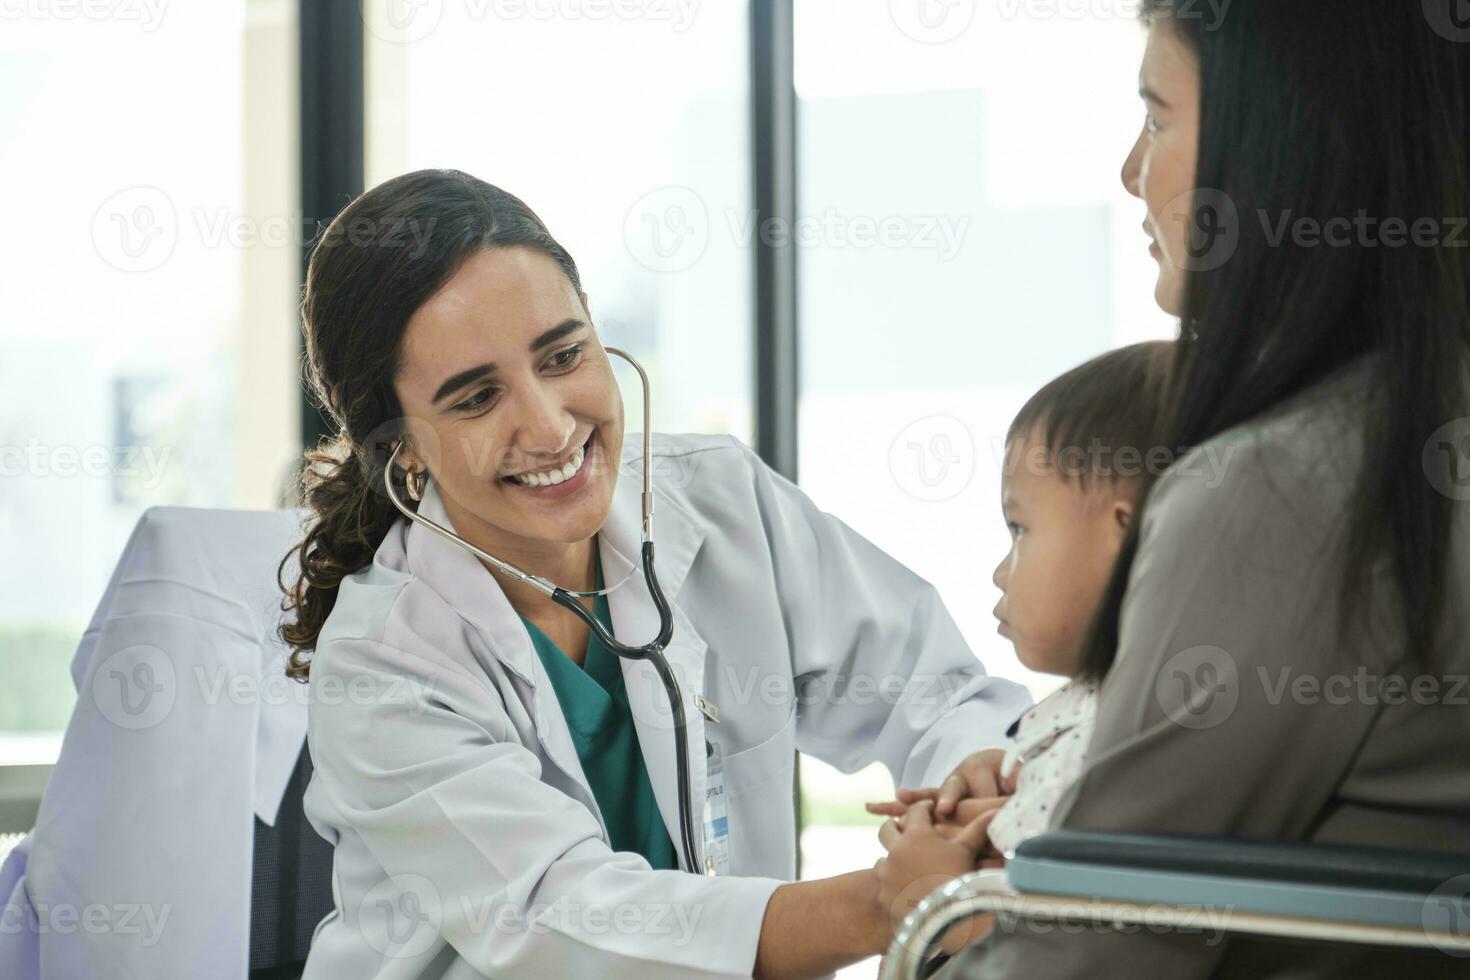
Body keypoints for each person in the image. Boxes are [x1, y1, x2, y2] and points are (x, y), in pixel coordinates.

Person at [276, 168, 1032, 980]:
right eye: (475, 399)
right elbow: (564, 923)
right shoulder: (383, 662)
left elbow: (935, 690)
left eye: (563, 354)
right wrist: (886, 903)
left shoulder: (720, 501)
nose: (550, 424)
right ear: (401, 450)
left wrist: (974, 792)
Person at [877, 1, 1470, 975]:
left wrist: (930, 910)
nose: (1130, 170)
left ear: (1284, 145)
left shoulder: (1281, 493)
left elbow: (1093, 955)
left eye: (1156, 116)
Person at [866, 341, 1174, 949]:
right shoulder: (1107, 706)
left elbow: (1061, 954)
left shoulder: (1130, 740)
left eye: (1020, 530)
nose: (1001, 572)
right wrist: (1014, 773)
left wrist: (935, 900)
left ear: (1126, 531)